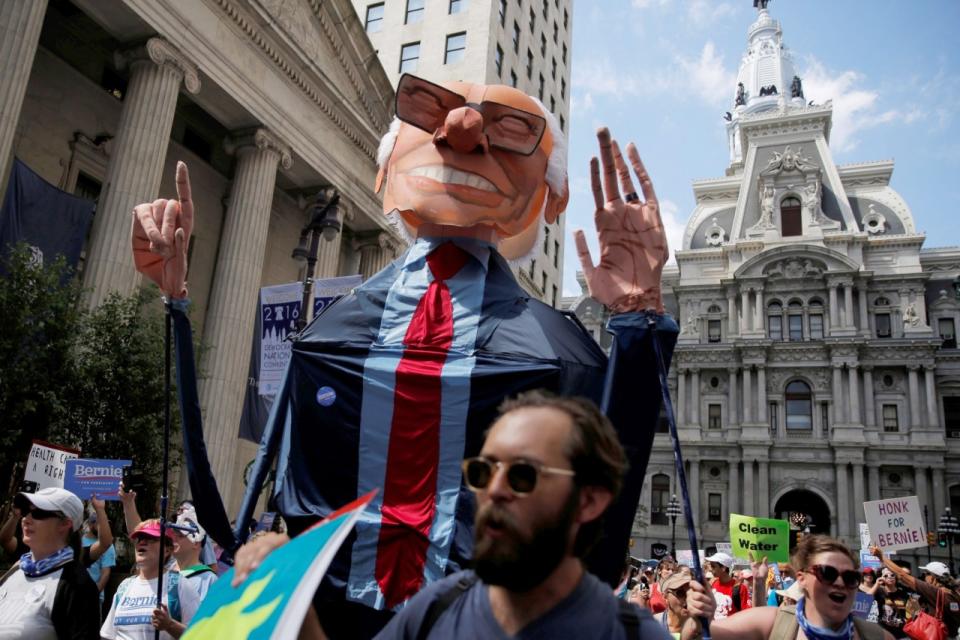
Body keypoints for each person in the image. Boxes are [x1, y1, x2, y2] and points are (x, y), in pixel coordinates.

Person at [133, 72, 677, 637]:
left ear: (550, 195)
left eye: (510, 129)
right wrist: (177, 303)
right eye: (427, 110)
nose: (463, 131)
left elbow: (599, 529)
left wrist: (639, 318)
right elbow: (239, 515)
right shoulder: (329, 334)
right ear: (385, 167)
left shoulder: (559, 354)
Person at [235, 391, 717, 639]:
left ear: (588, 500)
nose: (495, 490)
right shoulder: (438, 609)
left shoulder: (628, 636)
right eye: (484, 470)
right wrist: (291, 598)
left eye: (524, 474)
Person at [681, 535, 893, 640]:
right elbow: (700, 634)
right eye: (827, 573)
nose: (840, 583)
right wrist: (699, 618)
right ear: (801, 578)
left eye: (850, 577)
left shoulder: (876, 636)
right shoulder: (771, 623)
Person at [0, 487, 101, 639]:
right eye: (26, 511)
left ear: (65, 524)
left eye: (39, 513)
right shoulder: (14, 573)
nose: (26, 519)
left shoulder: (76, 584)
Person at [100, 519, 201, 640]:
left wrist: (169, 625)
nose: (142, 542)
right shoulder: (125, 586)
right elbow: (108, 635)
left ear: (167, 549)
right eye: (139, 538)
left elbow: (200, 635)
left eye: (150, 538)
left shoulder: (179, 585)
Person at [870, 548, 960, 638]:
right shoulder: (953, 593)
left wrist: (881, 556)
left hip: (936, 636)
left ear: (933, 578)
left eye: (925, 574)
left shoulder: (934, 591)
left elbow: (902, 575)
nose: (923, 576)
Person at [170, 513, 218, 601]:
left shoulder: (209, 580)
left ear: (195, 543)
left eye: (180, 536)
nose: (173, 538)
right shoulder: (164, 572)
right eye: (173, 534)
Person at [81, 507, 116, 612]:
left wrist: (94, 593)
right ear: (91, 524)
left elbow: (106, 573)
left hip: (93, 597)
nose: (103, 527)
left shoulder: (108, 545)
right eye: (99, 523)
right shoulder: (79, 542)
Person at [654, 570, 700, 639]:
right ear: (665, 596)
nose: (688, 598)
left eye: (691, 592)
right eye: (680, 593)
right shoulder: (653, 625)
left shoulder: (700, 628)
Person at [705, 552, 740, 619]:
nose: (710, 569)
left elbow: (746, 612)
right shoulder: (712, 584)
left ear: (723, 568)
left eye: (713, 566)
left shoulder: (739, 587)